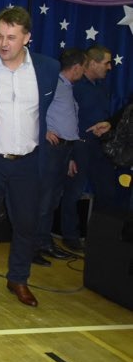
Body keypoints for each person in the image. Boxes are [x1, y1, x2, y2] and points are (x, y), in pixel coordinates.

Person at [0, 6, 60, 309]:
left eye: (12, 37)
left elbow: (43, 111)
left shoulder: (48, 69)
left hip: (28, 162)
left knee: (26, 225)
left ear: (27, 37)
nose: (4, 44)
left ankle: (18, 279)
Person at [60, 45, 120, 251]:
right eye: (106, 63)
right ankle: (70, 235)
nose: (110, 67)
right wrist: (69, 155)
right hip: (79, 146)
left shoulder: (102, 87)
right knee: (73, 192)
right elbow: (65, 119)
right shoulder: (74, 86)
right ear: (92, 63)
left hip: (101, 148)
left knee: (107, 192)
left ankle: (99, 237)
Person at [33, 48, 85, 266]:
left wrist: (70, 156)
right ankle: (32, 247)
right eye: (84, 66)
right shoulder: (53, 83)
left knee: (53, 200)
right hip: (51, 150)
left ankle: (44, 242)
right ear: (77, 67)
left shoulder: (67, 87)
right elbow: (33, 107)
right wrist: (43, 130)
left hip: (64, 150)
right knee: (44, 200)